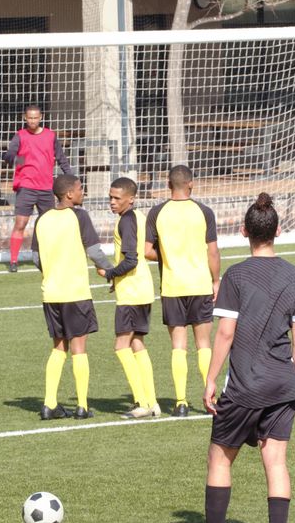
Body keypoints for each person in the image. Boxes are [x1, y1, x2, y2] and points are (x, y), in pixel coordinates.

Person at [177, 193, 295, 523]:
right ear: (278, 232)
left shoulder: (236, 275)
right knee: (277, 462)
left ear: (244, 231)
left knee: (220, 458)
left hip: (246, 386)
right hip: (283, 383)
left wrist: (210, 378)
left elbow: (224, 333)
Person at [30, 174, 112, 420]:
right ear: (69, 194)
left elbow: (36, 258)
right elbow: (94, 250)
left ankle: (49, 404)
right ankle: (82, 406)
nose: (82, 192)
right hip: (75, 292)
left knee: (58, 348)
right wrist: (110, 270)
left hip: (51, 293)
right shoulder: (79, 216)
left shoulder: (42, 219)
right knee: (79, 349)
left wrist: (51, 271)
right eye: (79, 189)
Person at [144, 165, 220, 418]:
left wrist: (167, 259)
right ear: (191, 184)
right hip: (199, 285)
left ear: (168, 185)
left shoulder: (157, 212)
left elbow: (146, 251)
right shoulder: (204, 212)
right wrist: (216, 280)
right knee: (204, 344)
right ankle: (211, 399)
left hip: (172, 286)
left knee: (179, 345)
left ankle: (180, 402)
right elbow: (212, 251)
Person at [96, 178, 160, 419]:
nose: (112, 202)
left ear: (130, 198)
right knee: (137, 344)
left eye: (116, 198)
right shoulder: (140, 217)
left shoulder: (126, 221)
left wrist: (110, 273)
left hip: (132, 292)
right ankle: (152, 402)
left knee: (121, 346)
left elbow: (131, 259)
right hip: (142, 289)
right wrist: (116, 280)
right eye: (110, 197)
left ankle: (141, 402)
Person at [3, 104, 74, 273]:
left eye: (36, 117)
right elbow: (8, 156)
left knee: (48, 224)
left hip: (46, 188)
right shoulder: (20, 136)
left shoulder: (50, 136)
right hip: (26, 187)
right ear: (24, 118)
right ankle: (13, 261)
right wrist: (21, 161)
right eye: (30, 118)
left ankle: (49, 256)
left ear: (41, 117)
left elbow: (61, 158)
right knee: (21, 223)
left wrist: (71, 176)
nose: (33, 121)